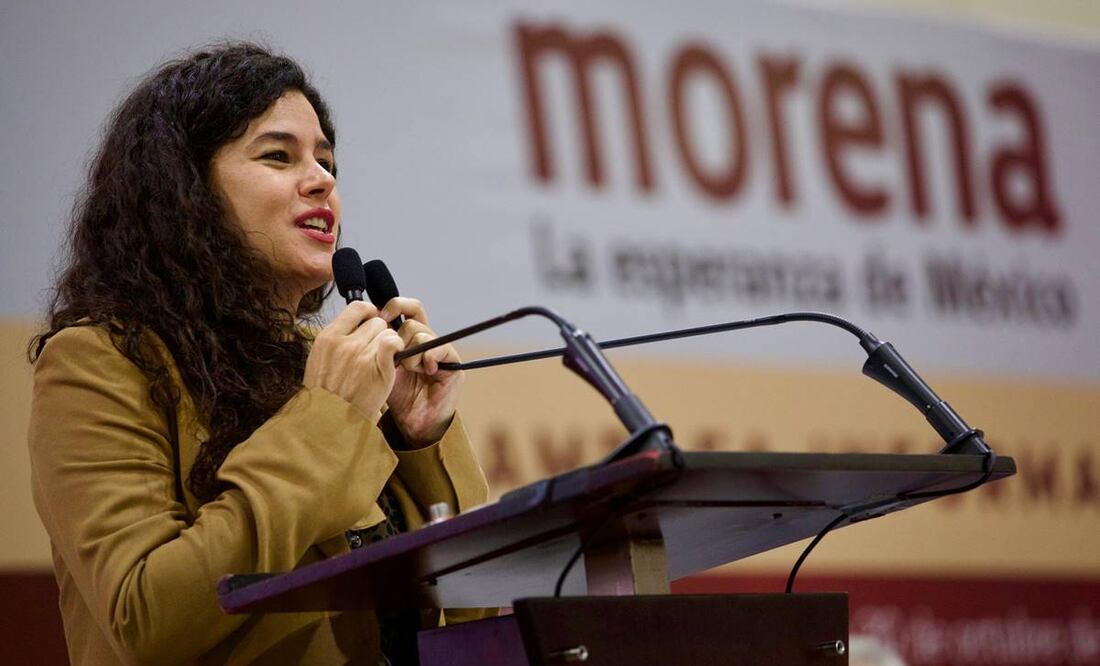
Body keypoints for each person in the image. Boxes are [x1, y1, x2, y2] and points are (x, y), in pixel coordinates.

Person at [27, 42, 489, 665]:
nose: (323, 178)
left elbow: (470, 612)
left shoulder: (325, 365)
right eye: (279, 155)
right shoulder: (98, 361)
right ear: (185, 190)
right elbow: (146, 616)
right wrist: (325, 416)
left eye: (327, 162)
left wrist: (419, 441)